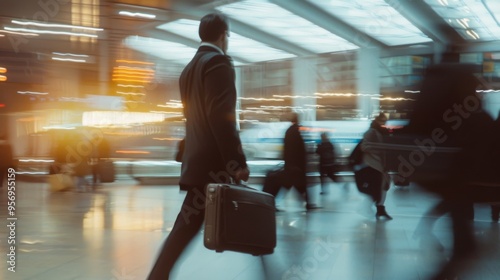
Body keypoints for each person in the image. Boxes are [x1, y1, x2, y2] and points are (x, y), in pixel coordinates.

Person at [147, 12, 249, 280]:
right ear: (223, 35)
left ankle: (159, 275)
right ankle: (158, 276)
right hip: (211, 165)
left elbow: (192, 118)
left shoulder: (189, 69)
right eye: (228, 36)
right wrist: (237, 162)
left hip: (196, 160)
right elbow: (221, 116)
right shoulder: (218, 63)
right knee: (188, 225)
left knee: (188, 223)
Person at [263, 112, 319, 210]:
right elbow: (293, 150)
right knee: (297, 186)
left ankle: (308, 204)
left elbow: (288, 150)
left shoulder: (291, 131)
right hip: (295, 167)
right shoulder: (294, 132)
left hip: (293, 166)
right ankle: (308, 204)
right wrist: (294, 164)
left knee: (290, 186)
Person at [360, 112, 392, 220]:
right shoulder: (372, 132)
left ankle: (380, 209)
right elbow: (364, 147)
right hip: (373, 165)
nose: (384, 123)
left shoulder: (381, 131)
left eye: (385, 121)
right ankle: (372, 208)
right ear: (378, 120)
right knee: (378, 188)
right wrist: (377, 150)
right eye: (382, 121)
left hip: (381, 165)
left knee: (383, 187)